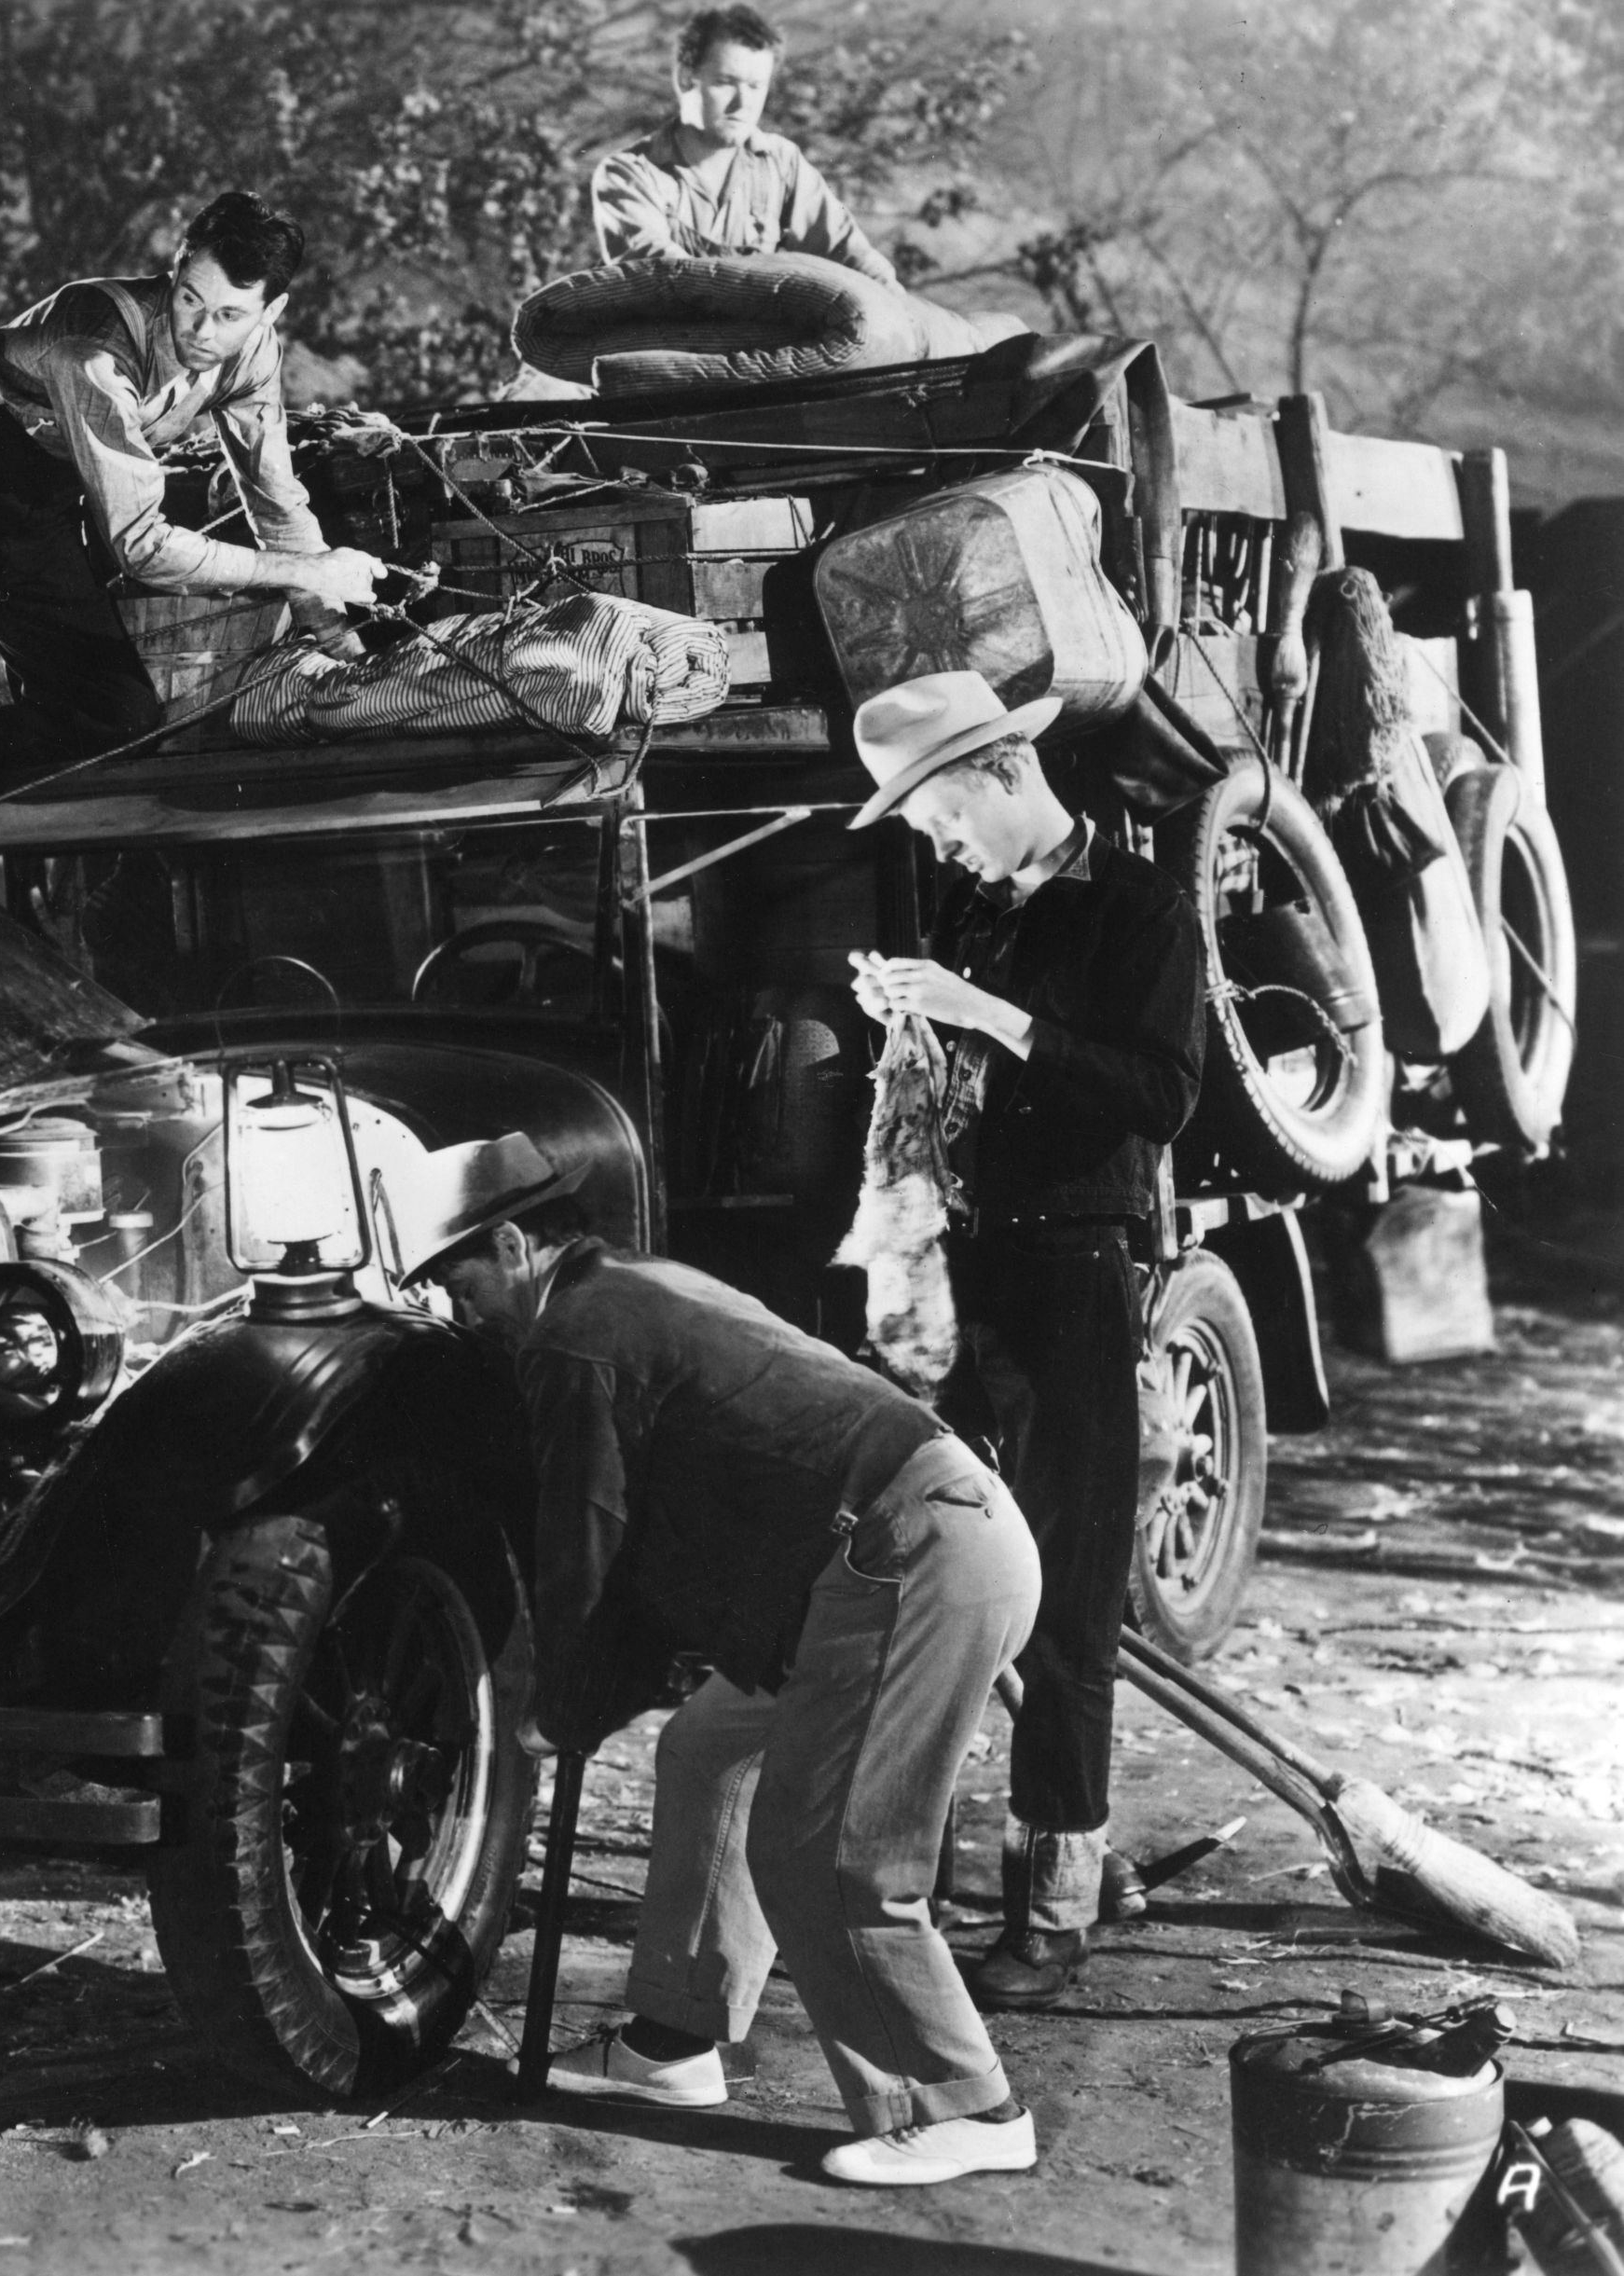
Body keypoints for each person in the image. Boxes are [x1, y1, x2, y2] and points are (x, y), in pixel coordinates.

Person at [406, 1131, 1044, 2186]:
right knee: (711, 1749)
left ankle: (967, 2104)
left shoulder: (572, 1336)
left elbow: (590, 1545)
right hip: (894, 1544)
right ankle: (672, 2042)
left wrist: (558, 1708)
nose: (454, 1305)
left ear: (512, 1244)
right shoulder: (624, 1284)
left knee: (828, 1847)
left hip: (906, 1555)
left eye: (454, 1277)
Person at [846, 669, 1206, 2009]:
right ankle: (913, 1868)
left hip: (1073, 1274)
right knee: (938, 1574)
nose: (933, 846)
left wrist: (984, 1011)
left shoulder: (1143, 908)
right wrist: (904, 1014)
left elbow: (1161, 1095)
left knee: (1066, 1596)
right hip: (964, 1271)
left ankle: (1055, 1896)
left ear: (1003, 774)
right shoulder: (973, 905)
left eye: (938, 815)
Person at [0, 188, 389, 886]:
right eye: (190, 298)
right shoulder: (95, 343)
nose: (202, 329)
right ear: (177, 263)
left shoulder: (255, 351)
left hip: (32, 496)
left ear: (270, 312)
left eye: (229, 314)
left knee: (116, 713)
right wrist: (308, 573)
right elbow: (142, 545)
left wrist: (337, 637)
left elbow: (276, 500)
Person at [591, 7, 901, 285]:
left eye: (755, 87)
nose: (743, 104)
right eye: (726, 83)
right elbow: (666, 274)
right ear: (686, 79)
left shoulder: (780, 163)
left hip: (758, 340)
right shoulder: (629, 174)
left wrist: (895, 301)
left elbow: (848, 251)